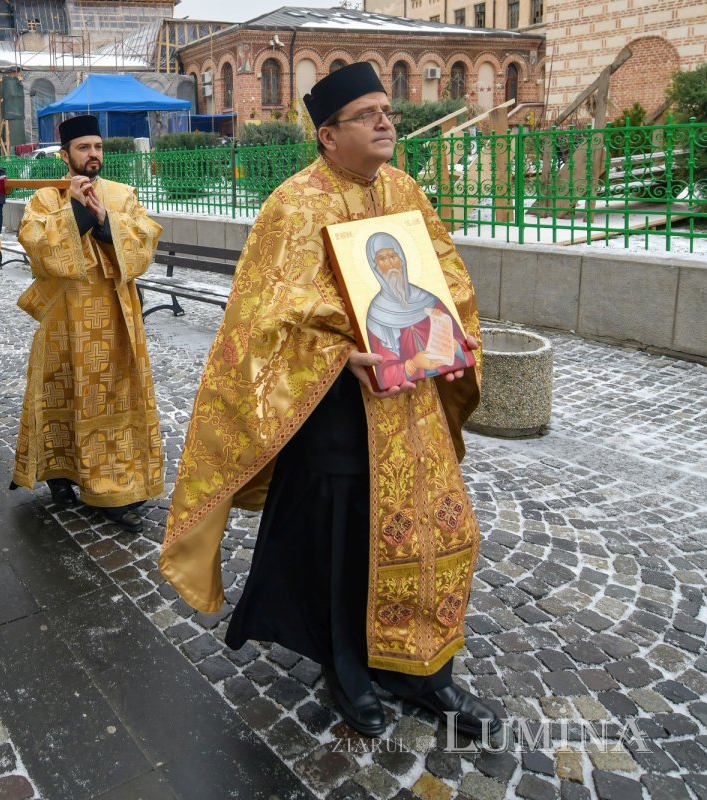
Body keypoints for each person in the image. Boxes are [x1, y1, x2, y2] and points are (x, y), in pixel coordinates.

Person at [159, 62, 497, 742]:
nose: (385, 122)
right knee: (346, 543)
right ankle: (347, 669)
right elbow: (263, 311)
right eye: (367, 114)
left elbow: (447, 274)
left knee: (433, 528)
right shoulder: (295, 202)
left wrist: (436, 329)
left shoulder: (402, 189)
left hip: (411, 398)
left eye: (386, 112)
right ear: (327, 134)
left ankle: (422, 669)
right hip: (336, 408)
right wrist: (343, 353)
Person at [12, 114, 163, 533]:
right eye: (83, 148)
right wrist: (77, 211)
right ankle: (61, 474)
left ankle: (111, 485)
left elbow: (143, 241)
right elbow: (36, 245)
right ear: (66, 155)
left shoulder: (122, 194)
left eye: (97, 147)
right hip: (63, 317)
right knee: (59, 390)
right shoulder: (45, 197)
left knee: (110, 397)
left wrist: (103, 221)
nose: (93, 154)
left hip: (114, 316)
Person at [363, 233, 471, 388]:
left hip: (443, 381)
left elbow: (462, 345)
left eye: (393, 256)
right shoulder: (376, 313)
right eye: (382, 258)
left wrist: (456, 347)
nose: (390, 264)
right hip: (407, 388)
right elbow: (384, 372)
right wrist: (412, 364)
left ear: (402, 260)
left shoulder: (429, 299)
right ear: (375, 268)